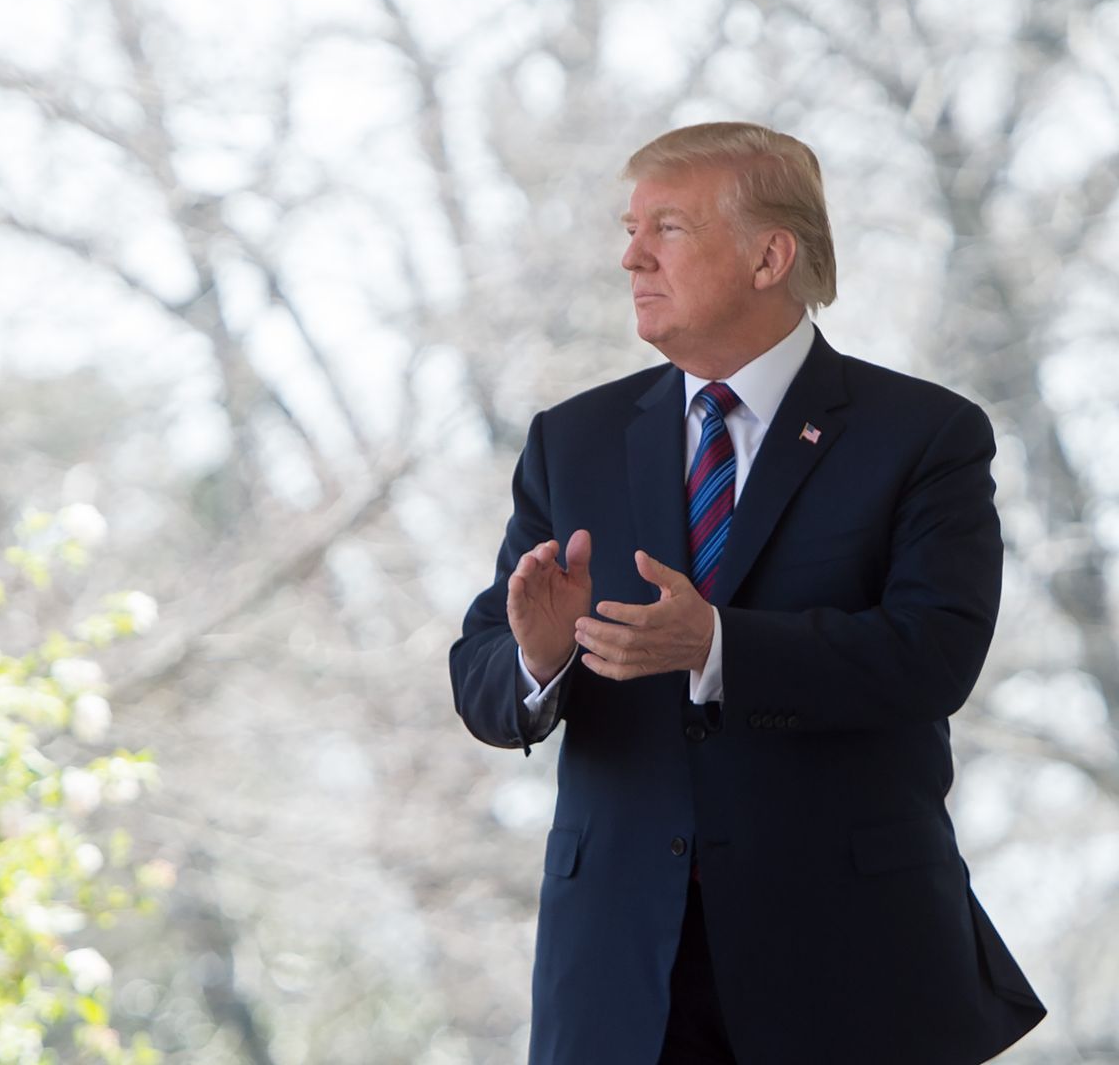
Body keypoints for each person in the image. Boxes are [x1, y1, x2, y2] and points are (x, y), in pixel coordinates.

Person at [448, 122, 1047, 1065]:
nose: (632, 257)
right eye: (631, 229)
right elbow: (483, 673)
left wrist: (718, 647)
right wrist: (539, 657)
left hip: (851, 969)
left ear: (771, 257)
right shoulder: (573, 439)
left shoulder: (925, 434)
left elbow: (934, 655)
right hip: (620, 979)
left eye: (668, 228)